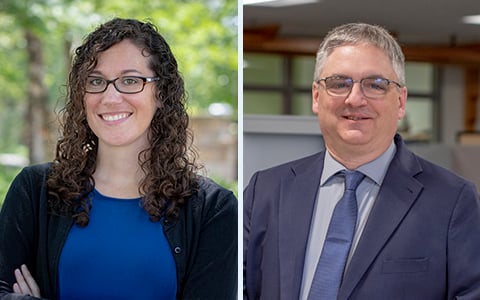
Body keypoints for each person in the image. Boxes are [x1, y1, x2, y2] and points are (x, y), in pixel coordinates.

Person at [0, 18, 237, 300]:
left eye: (130, 81)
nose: (110, 97)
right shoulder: (34, 190)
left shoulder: (213, 210)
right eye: (96, 81)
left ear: (161, 93)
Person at [243, 22, 480, 299]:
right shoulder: (266, 191)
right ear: (316, 97)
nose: (355, 99)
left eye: (375, 85)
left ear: (401, 101)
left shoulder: (453, 200)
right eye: (339, 83)